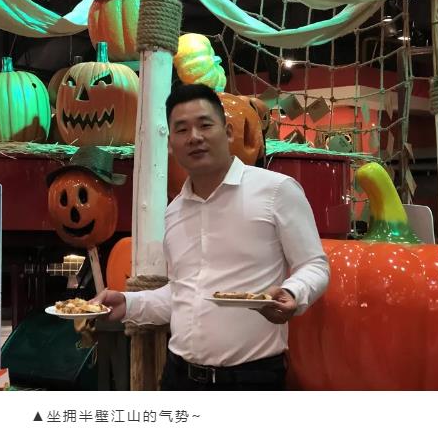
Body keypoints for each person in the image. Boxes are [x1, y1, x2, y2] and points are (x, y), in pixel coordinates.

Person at [93, 83, 329, 390]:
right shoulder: (174, 211)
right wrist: (127, 304)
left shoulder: (276, 191)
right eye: (181, 129)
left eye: (205, 125)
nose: (194, 137)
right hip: (179, 377)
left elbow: (315, 265)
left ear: (228, 132)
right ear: (171, 144)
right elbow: (182, 294)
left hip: (250, 381)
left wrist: (293, 292)